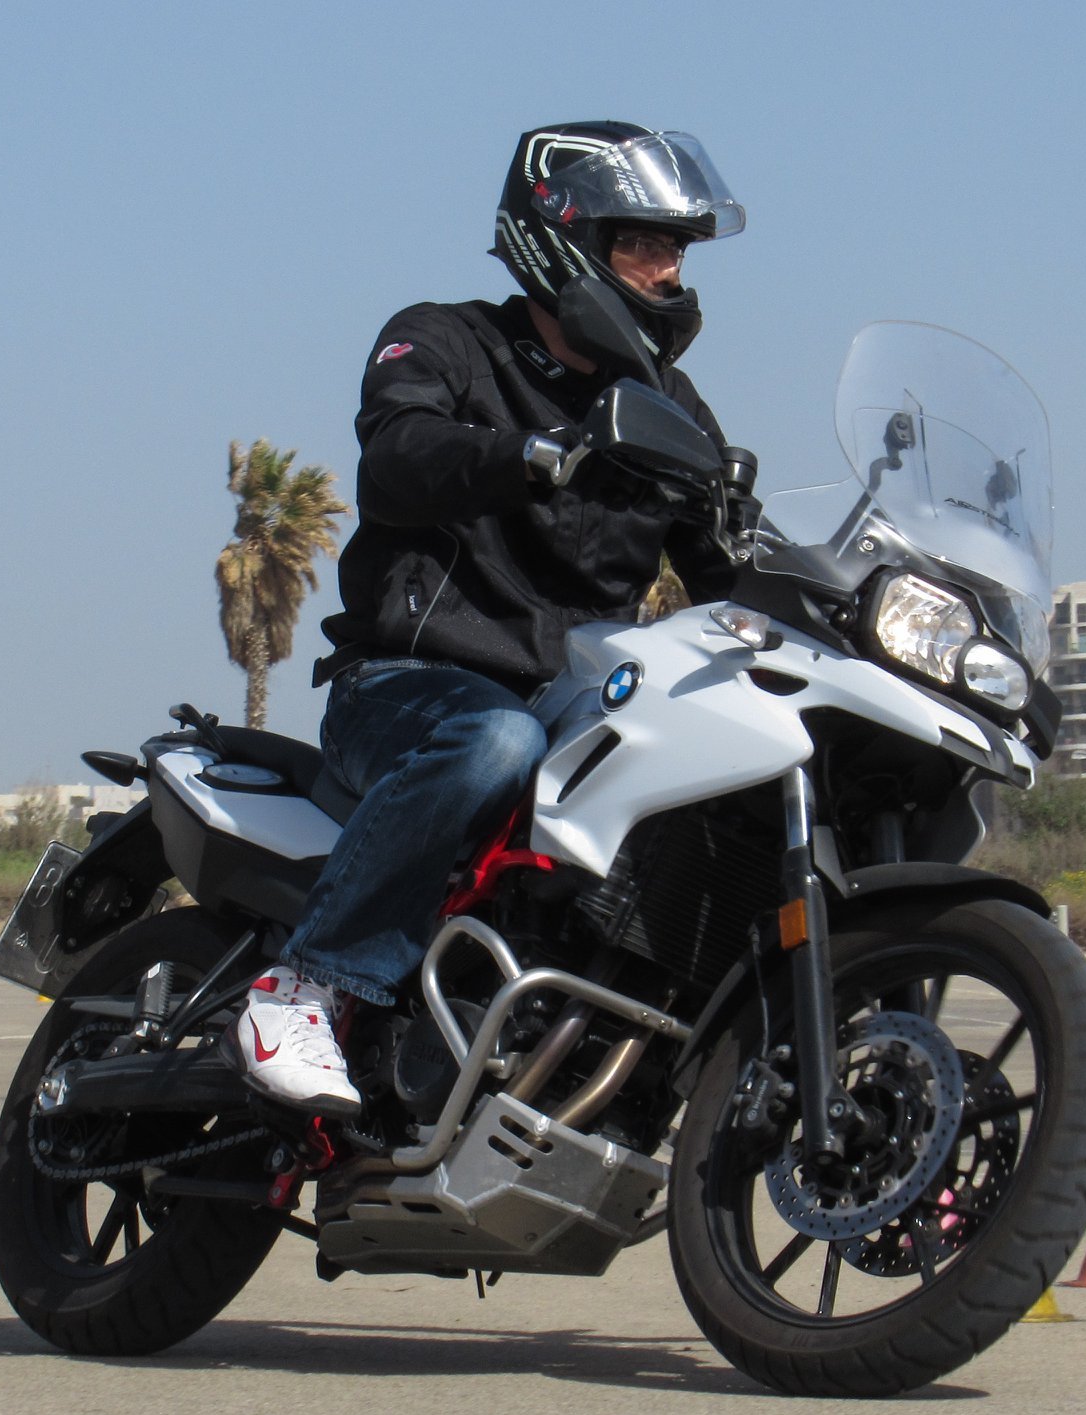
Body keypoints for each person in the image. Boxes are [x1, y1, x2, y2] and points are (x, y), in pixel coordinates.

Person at [229, 122, 747, 1113]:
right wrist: (536, 456)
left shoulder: (667, 401)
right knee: (496, 740)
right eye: (644, 243)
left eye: (678, 250)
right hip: (409, 687)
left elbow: (723, 560)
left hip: (577, 699)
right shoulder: (446, 340)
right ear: (565, 238)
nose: (668, 271)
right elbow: (396, 459)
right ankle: (306, 984)